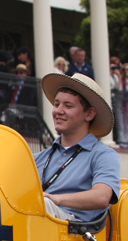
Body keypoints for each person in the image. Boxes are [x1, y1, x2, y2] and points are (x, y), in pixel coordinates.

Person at [33, 73, 120, 222]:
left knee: (44, 205)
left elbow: (102, 196)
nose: (58, 111)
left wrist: (55, 199)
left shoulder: (103, 155)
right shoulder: (37, 158)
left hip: (75, 234)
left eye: (68, 106)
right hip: (36, 230)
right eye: (56, 104)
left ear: (89, 114)